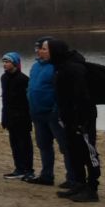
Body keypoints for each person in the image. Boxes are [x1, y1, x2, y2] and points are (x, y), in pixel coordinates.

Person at [42, 38, 102, 203]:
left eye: (45, 49)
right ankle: (79, 184)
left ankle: (92, 189)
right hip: (68, 118)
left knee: (88, 152)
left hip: (83, 119)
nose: (42, 52)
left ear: (55, 51)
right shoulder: (59, 67)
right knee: (74, 151)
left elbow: (82, 96)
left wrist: (80, 121)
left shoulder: (73, 68)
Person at [26, 37, 73, 188]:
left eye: (43, 49)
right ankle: (46, 176)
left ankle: (72, 178)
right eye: (38, 49)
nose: (39, 51)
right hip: (37, 113)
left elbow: (62, 90)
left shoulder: (58, 66)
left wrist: (55, 109)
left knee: (65, 146)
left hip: (54, 114)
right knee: (43, 145)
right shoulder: (35, 66)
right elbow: (31, 87)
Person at [0, 52, 35, 180]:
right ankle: (19, 168)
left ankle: (28, 170)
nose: (5, 64)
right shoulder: (4, 78)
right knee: (14, 144)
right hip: (10, 116)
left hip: (22, 117)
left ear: (15, 63)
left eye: (7, 62)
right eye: (4, 62)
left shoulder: (23, 79)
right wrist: (4, 117)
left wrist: (27, 116)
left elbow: (28, 100)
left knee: (25, 144)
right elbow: (5, 100)